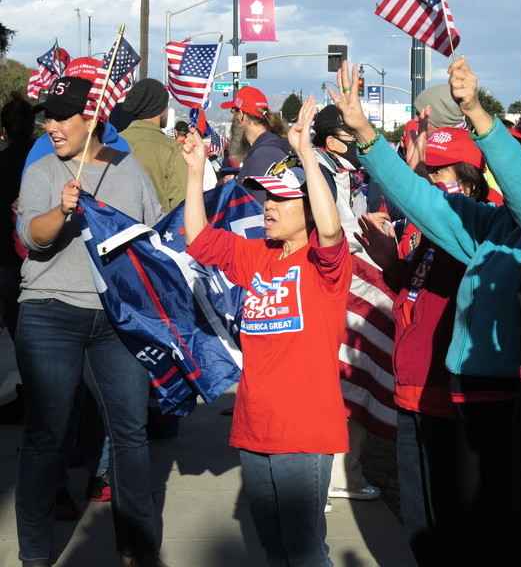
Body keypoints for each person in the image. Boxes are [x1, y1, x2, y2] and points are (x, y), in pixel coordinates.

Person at [331, 60, 521, 563]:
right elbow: (420, 202)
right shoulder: (490, 225)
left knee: (481, 538)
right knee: (437, 534)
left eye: (446, 170)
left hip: (511, 406)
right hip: (462, 393)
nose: (438, 179)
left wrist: (475, 112)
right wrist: (367, 135)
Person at [182, 96, 351, 566]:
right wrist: (195, 172)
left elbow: (333, 231)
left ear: (309, 210)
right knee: (273, 549)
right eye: (266, 197)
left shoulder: (325, 264)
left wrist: (308, 158)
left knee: (304, 551)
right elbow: (198, 239)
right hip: (254, 426)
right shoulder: (257, 255)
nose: (268, 206)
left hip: (304, 431)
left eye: (280, 199)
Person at [15, 64, 163, 566]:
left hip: (115, 322)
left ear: (92, 117)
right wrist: (62, 211)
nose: (51, 127)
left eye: (61, 118)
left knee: (130, 433)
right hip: (49, 312)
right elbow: (33, 236)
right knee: (47, 435)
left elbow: (153, 244)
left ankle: (138, 549)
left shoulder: (130, 170)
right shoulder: (41, 172)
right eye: (47, 119)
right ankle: (35, 554)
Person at [356, 127, 489, 565]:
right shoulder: (430, 241)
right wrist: (392, 262)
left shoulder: (473, 236)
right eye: (426, 173)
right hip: (412, 396)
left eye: (439, 174)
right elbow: (412, 295)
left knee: (450, 527)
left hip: (446, 402)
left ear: (469, 183)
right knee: (418, 522)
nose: (430, 183)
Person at [311, 104, 382, 505]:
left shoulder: (340, 169)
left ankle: (340, 471)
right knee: (332, 381)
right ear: (328, 136)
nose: (353, 142)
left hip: (343, 283)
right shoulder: (315, 170)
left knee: (347, 382)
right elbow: (328, 230)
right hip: (327, 287)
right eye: (346, 134)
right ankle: (323, 474)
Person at [0, 93, 34, 423]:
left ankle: (33, 396)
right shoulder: (41, 160)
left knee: (20, 333)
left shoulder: (7, 162)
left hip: (11, 261)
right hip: (34, 260)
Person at [120, 78, 188, 212]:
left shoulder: (113, 142)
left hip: (117, 229)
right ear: (160, 109)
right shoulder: (173, 149)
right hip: (157, 229)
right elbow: (182, 204)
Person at [220, 86, 290, 204]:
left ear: (242, 115)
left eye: (234, 111)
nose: (233, 117)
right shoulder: (273, 146)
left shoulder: (261, 157)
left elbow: (254, 209)